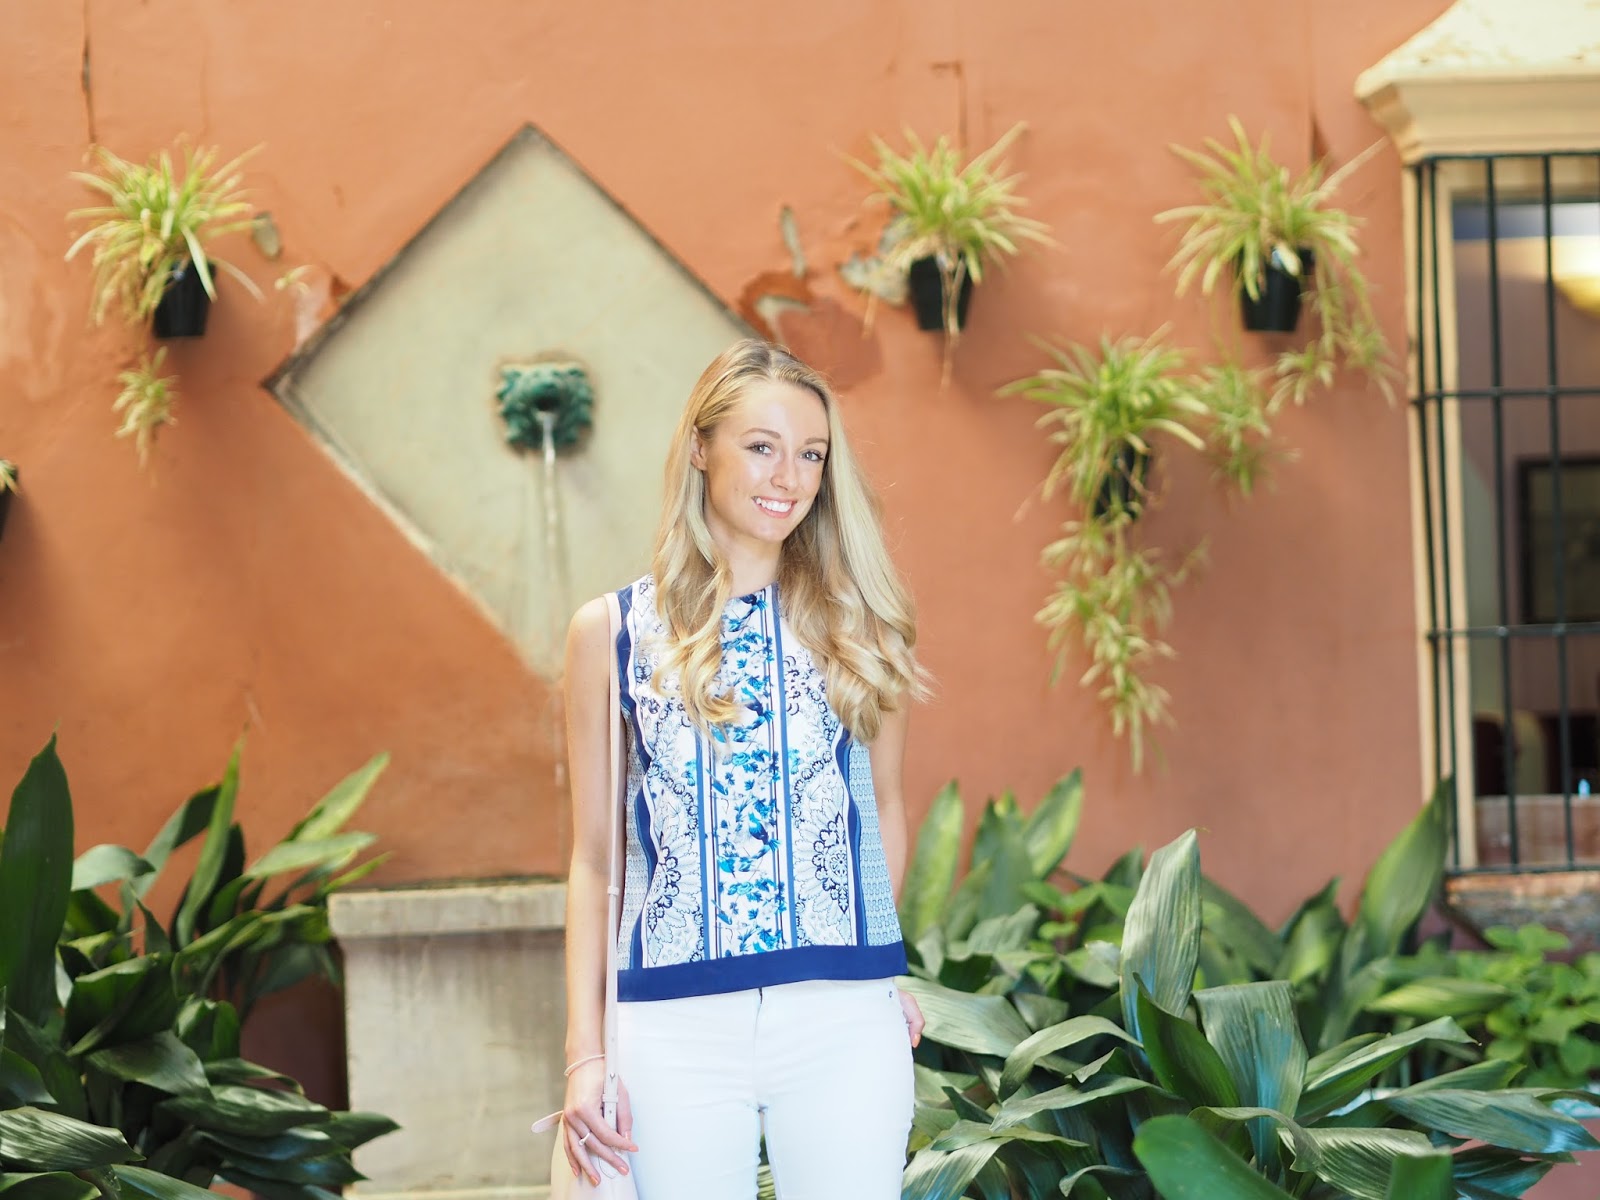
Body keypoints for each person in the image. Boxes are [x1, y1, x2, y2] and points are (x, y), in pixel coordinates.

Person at [557, 339, 931, 1199]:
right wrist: (585, 1056)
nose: (788, 478)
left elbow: (882, 807)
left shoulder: (865, 629)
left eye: (812, 455)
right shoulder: (610, 633)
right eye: (761, 446)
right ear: (700, 448)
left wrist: (875, 972)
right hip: (671, 1025)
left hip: (842, 1025)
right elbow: (592, 859)